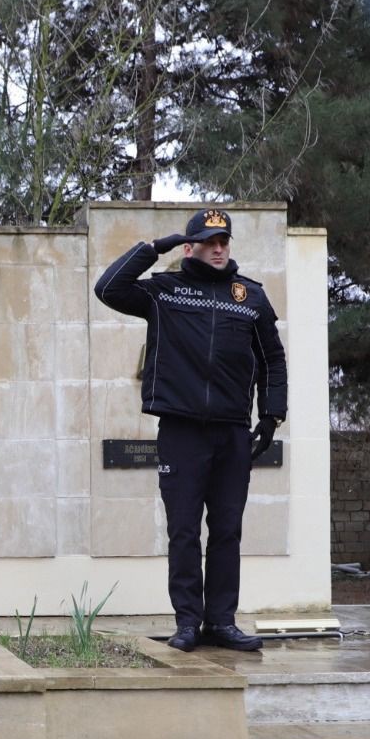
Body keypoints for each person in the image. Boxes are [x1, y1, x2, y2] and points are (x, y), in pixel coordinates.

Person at [94, 208, 287, 652]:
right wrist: (155, 248)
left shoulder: (250, 297)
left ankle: (221, 622)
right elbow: (109, 287)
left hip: (233, 432)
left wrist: (272, 415)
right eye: (208, 242)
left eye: (224, 241)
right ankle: (187, 623)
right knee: (184, 530)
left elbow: (273, 360)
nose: (218, 249)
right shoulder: (165, 291)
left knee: (226, 530)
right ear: (190, 246)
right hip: (181, 432)